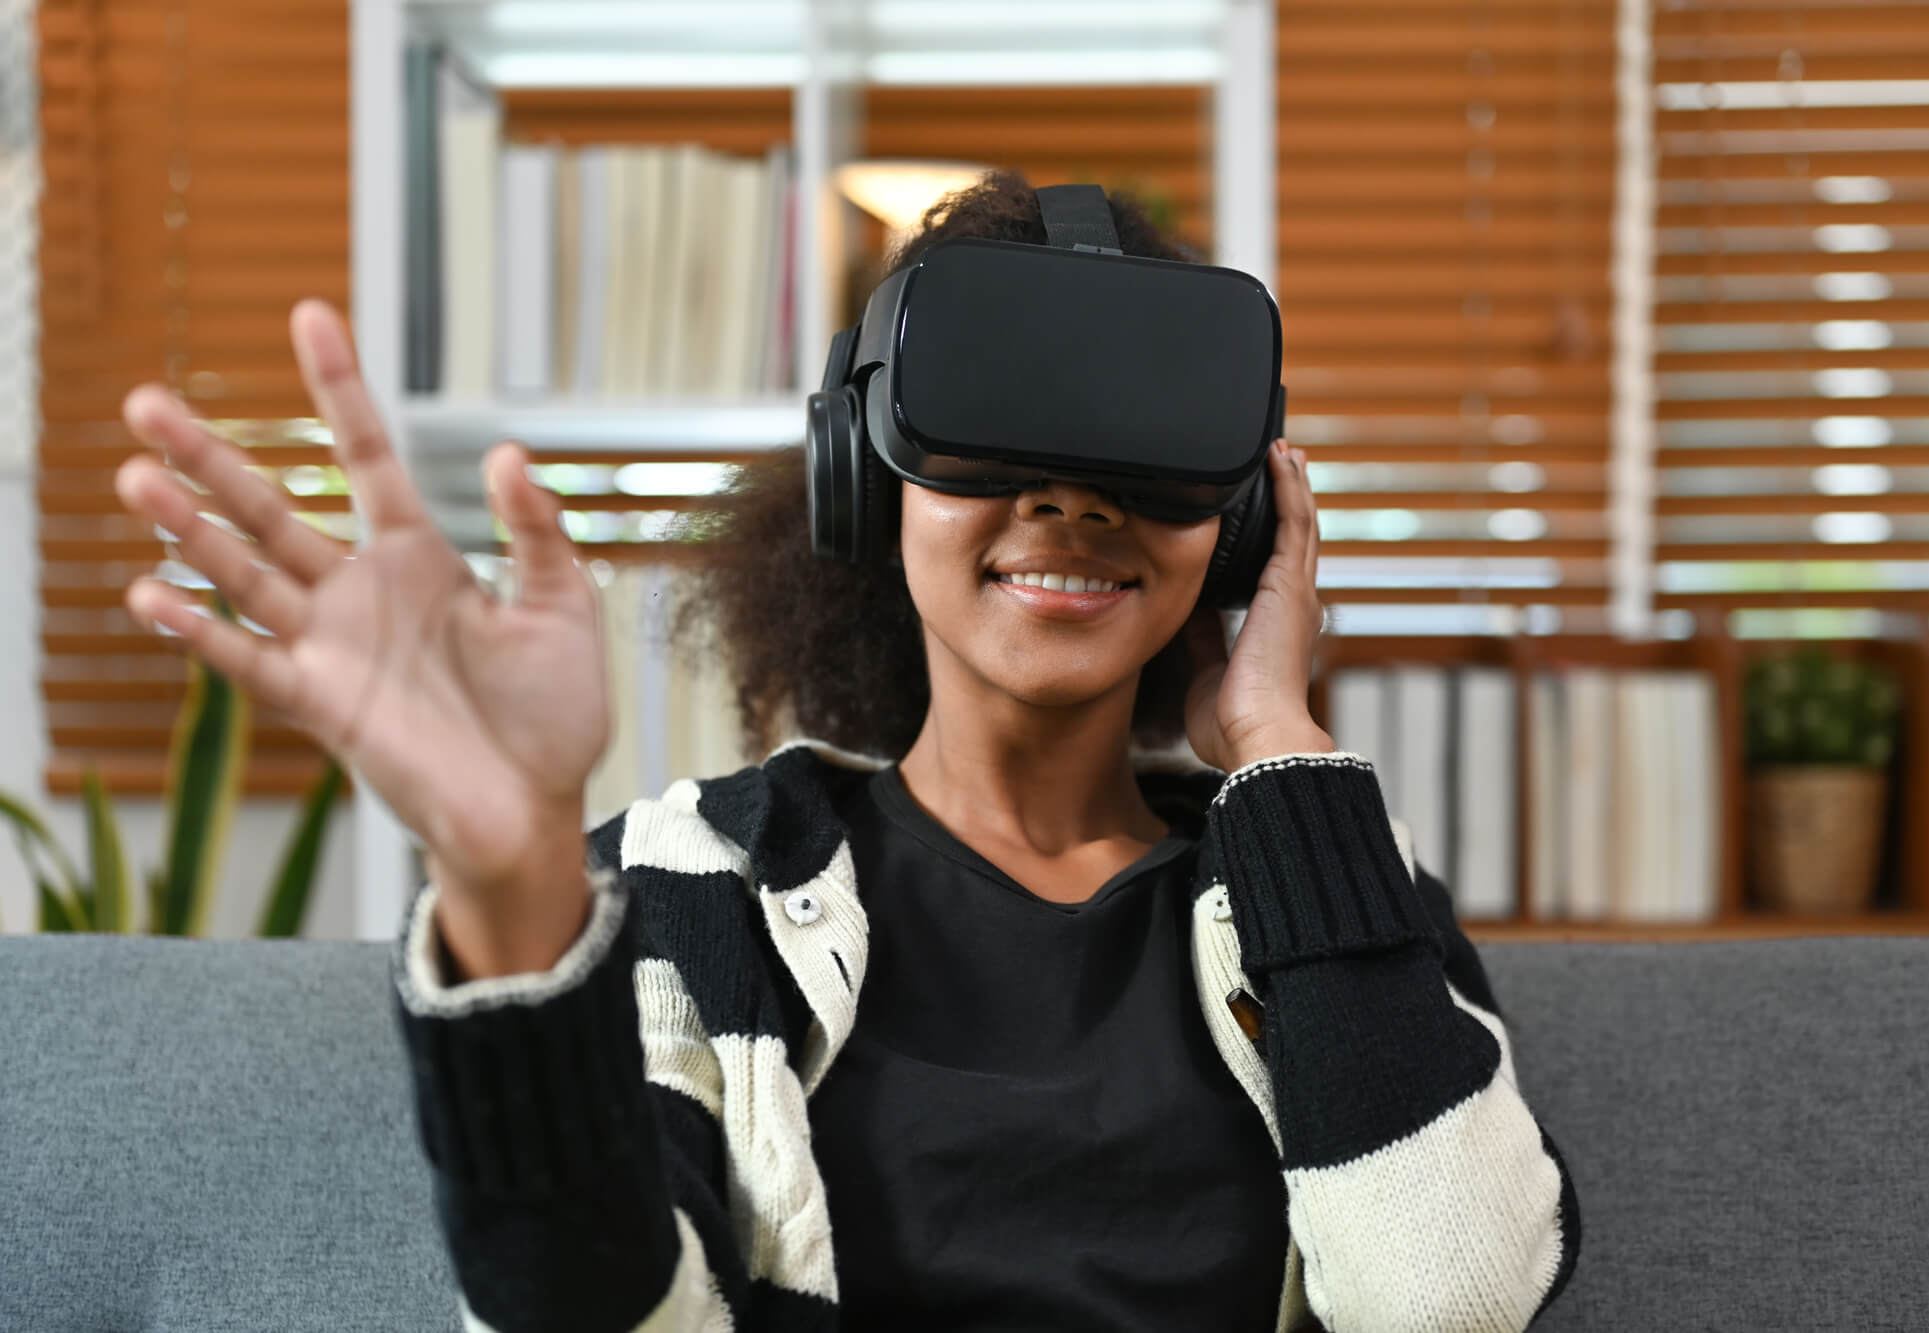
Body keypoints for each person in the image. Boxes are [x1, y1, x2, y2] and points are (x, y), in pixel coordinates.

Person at [112, 172, 1579, 1332]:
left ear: (1241, 520)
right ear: (864, 480)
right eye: (996, 430)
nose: (1071, 501)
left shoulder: (1336, 889)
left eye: (1134, 447)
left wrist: (1276, 745)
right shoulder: (691, 883)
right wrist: (507, 883)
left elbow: (1445, 1303)